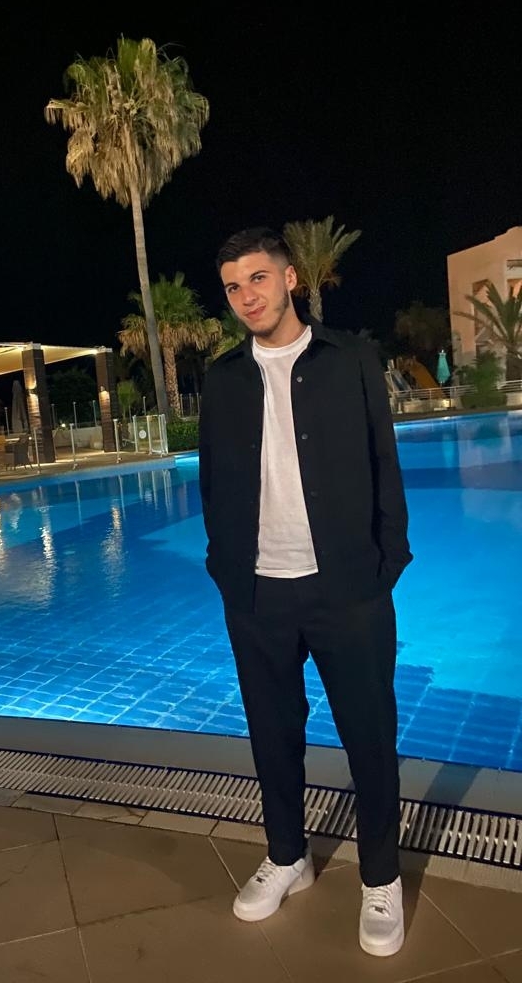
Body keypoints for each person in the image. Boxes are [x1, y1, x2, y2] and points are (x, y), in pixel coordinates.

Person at [198, 226, 413, 958]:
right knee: (272, 734)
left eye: (257, 278)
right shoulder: (224, 379)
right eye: (233, 286)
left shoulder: (350, 359)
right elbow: (214, 480)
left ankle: (380, 877)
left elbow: (384, 463)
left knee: (369, 736)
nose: (246, 296)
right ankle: (288, 856)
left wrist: (386, 563)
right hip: (257, 592)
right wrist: (225, 568)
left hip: (347, 588)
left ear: (290, 278)